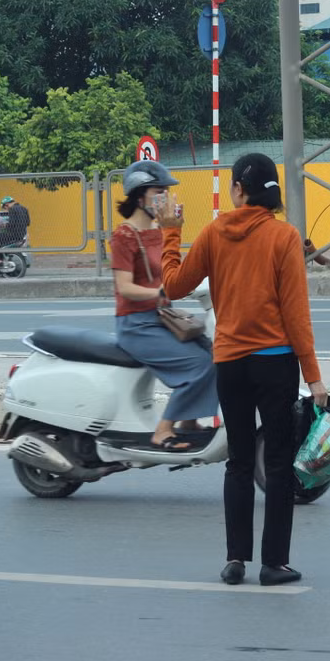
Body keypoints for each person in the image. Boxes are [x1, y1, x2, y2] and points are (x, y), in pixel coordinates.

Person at [158, 152, 328, 588]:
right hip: (275, 363)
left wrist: (170, 233)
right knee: (276, 463)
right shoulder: (284, 236)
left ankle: (235, 560)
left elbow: (174, 286)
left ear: (237, 189)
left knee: (237, 461)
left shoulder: (214, 234)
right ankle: (274, 564)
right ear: (272, 193)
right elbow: (296, 313)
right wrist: (313, 376)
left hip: (230, 361)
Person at [110, 160, 218, 452]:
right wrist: (159, 291)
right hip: (136, 324)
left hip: (162, 318)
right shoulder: (124, 235)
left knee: (215, 354)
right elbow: (124, 287)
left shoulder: (159, 231)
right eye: (160, 192)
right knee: (198, 365)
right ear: (139, 194)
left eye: (166, 192)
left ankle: (189, 422)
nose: (166, 199)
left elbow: (171, 271)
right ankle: (163, 430)